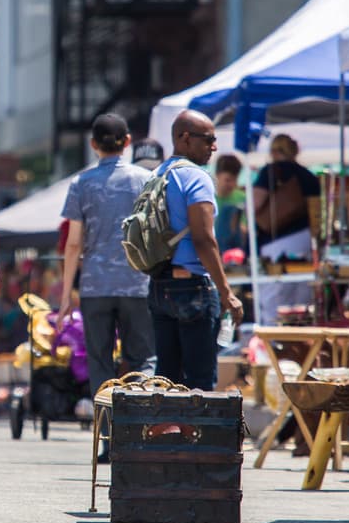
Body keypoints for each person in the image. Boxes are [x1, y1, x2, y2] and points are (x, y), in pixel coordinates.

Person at [59, 113, 156, 440]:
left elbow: (73, 244)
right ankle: (140, 435)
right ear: (128, 142)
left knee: (100, 363)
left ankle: (106, 438)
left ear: (93, 145)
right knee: (142, 360)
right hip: (138, 283)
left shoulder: (81, 183)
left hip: (95, 286)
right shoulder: (146, 179)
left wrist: (63, 300)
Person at [147, 111, 244, 390]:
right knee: (199, 383)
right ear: (185, 139)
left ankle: (168, 432)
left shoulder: (158, 174)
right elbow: (203, 238)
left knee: (165, 381)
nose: (214, 146)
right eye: (209, 139)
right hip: (191, 290)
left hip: (159, 286)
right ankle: (193, 434)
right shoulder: (196, 177)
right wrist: (226, 293)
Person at [252, 134, 321, 323]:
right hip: (306, 241)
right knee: (302, 299)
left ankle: (273, 344)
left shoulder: (271, 172)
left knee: (274, 298)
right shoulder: (308, 176)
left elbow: (255, 204)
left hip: (277, 244)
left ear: (274, 151)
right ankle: (300, 345)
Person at [213, 153, 246, 252]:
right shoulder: (207, 198)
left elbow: (245, 228)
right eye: (227, 180)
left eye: (235, 179)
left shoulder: (242, 198)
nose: (232, 184)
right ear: (217, 175)